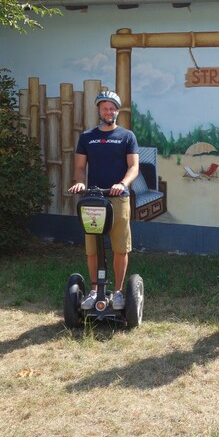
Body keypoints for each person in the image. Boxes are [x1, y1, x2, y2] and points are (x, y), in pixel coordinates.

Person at [68, 91, 139, 310]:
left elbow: (134, 167)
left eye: (112, 108)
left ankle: (117, 291)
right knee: (92, 248)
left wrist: (123, 184)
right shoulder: (87, 137)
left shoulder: (127, 136)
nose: (108, 112)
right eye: (104, 108)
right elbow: (80, 168)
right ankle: (94, 289)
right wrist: (80, 183)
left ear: (118, 111)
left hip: (118, 198)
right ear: (99, 110)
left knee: (120, 247)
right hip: (94, 199)